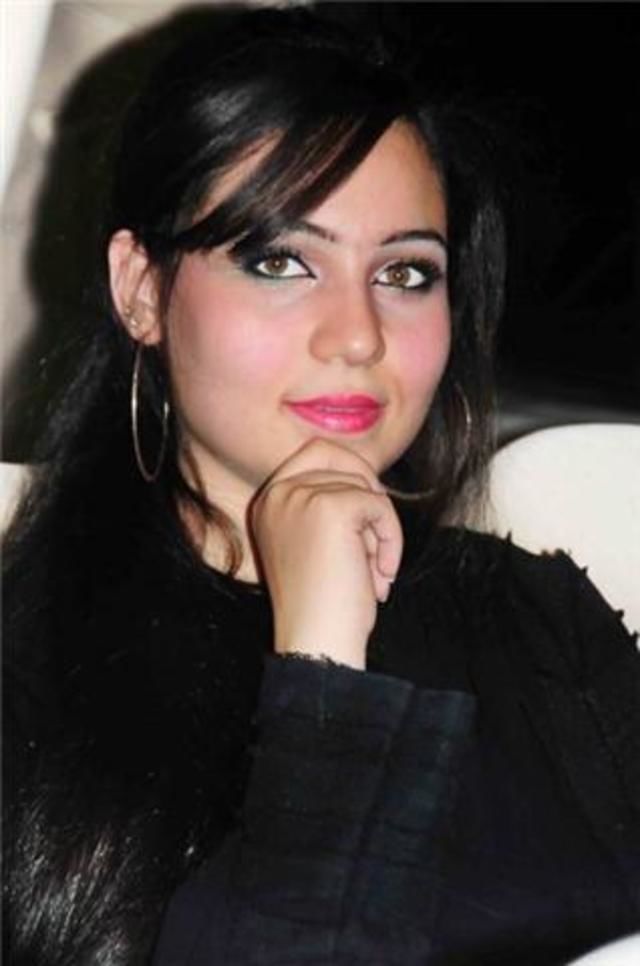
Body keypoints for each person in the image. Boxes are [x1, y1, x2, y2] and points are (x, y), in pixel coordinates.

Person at [3, 5, 639, 964]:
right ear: (142, 288)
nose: (358, 336)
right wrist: (325, 666)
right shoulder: (30, 667)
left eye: (406, 274)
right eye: (280, 260)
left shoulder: (543, 625)